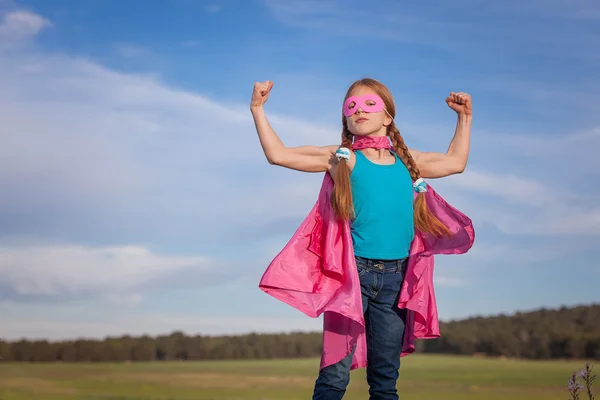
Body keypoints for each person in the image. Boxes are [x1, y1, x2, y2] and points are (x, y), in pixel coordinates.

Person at [250, 77, 472, 399]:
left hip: (397, 281)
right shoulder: (342, 157)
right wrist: (257, 109)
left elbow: (456, 162)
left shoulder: (408, 162)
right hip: (352, 278)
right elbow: (279, 155)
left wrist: (464, 117)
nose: (359, 110)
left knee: (385, 382)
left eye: (370, 104)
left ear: (387, 117)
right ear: (346, 118)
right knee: (334, 377)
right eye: (351, 106)